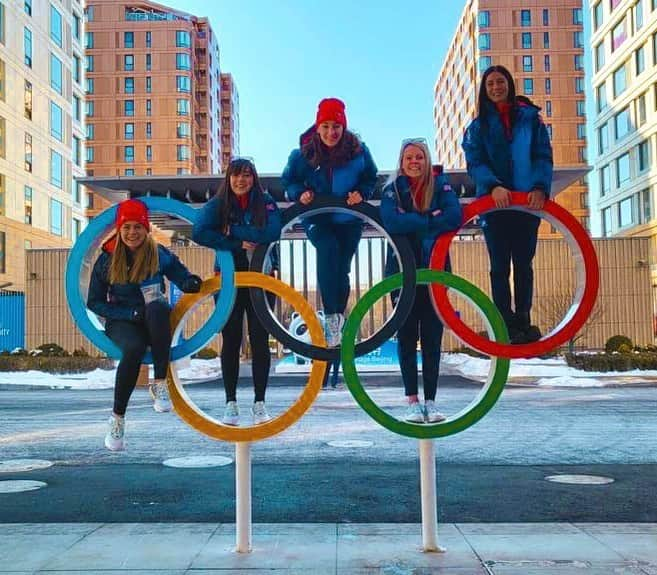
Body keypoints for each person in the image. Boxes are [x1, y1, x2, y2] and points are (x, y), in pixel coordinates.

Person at [88, 199, 202, 451]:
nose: (132, 233)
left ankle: (160, 382)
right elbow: (94, 302)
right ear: (119, 228)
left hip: (154, 321)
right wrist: (129, 312)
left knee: (159, 305)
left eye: (137, 227)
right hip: (122, 322)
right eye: (126, 227)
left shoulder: (158, 253)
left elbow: (180, 275)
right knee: (133, 349)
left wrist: (191, 282)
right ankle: (117, 419)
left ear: (146, 228)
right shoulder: (107, 258)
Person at [462, 65, 553, 344]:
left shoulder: (530, 119)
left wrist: (539, 187)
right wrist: (493, 186)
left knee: (524, 265)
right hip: (495, 206)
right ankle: (504, 322)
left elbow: (542, 155)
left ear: (509, 84)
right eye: (490, 84)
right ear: (484, 90)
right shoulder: (478, 127)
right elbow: (474, 163)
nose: (496, 87)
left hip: (526, 204)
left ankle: (523, 320)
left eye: (500, 82)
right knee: (499, 266)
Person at [282, 97, 378, 347]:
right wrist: (298, 193)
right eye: (325, 126)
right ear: (317, 127)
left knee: (343, 268)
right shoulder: (303, 154)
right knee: (327, 250)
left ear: (343, 127)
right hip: (318, 217)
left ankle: (338, 316)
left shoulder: (359, 151)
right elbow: (288, 181)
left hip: (349, 219)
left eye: (336, 126)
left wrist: (362, 192)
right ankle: (330, 315)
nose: (331, 132)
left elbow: (371, 177)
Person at [193, 158, 282, 426]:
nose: (240, 181)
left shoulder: (265, 202)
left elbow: (273, 230)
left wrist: (234, 229)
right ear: (228, 178)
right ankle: (230, 403)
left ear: (253, 179)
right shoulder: (218, 204)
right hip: (228, 281)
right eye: (235, 175)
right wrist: (234, 241)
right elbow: (199, 231)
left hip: (261, 279)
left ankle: (259, 403)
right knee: (230, 340)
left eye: (246, 175)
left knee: (259, 340)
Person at [381, 139, 462, 423]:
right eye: (408, 158)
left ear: (427, 160)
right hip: (402, 275)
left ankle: (431, 400)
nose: (414, 162)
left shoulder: (441, 186)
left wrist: (414, 218)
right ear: (401, 162)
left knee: (432, 339)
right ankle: (412, 401)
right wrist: (430, 218)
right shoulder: (392, 190)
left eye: (419, 157)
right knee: (406, 339)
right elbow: (391, 222)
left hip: (435, 273)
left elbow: (454, 215)